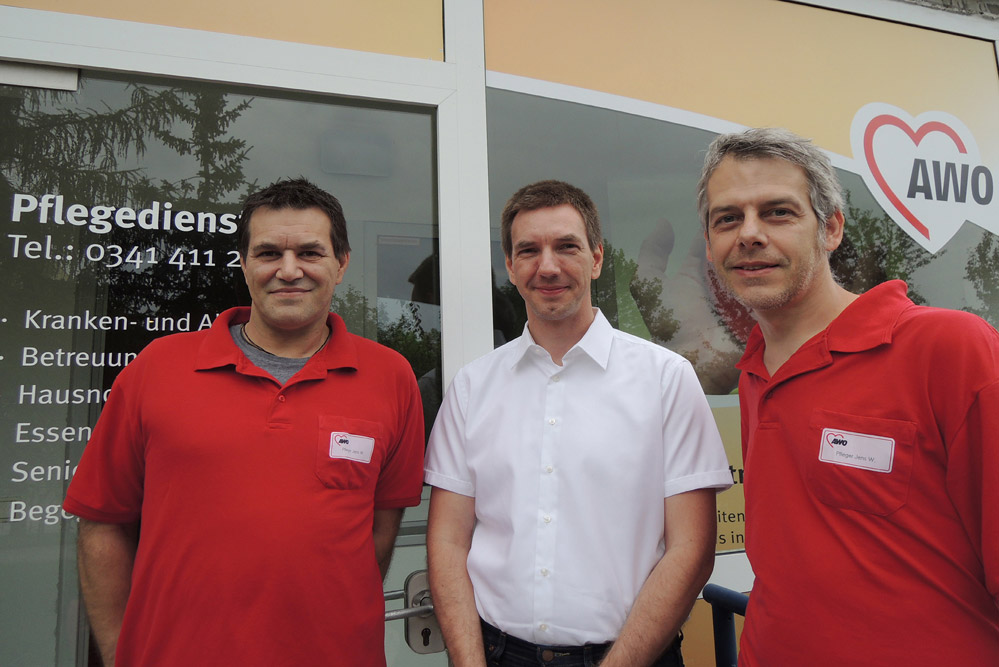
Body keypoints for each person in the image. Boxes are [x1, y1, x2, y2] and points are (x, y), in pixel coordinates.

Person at [63, 178, 425, 666]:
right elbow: (102, 522)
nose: (289, 270)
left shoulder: (390, 377)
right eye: (268, 252)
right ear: (244, 262)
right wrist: (118, 654)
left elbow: (381, 526)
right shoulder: (158, 367)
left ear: (341, 264)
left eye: (311, 253)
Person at [698, 127, 999, 665]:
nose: (748, 234)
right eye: (727, 218)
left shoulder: (950, 350)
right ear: (710, 245)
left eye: (778, 212)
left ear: (831, 228)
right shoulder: (753, 374)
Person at [425, 180, 732, 667]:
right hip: (500, 656)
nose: (547, 266)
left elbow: (691, 550)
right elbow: (447, 540)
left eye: (566, 246)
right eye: (528, 250)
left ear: (596, 258)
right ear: (510, 266)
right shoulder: (471, 387)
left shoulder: (666, 379)